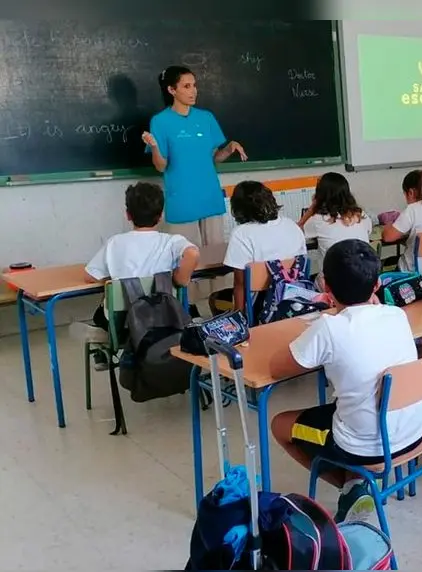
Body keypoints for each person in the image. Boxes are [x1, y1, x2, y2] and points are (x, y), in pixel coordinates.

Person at [270, 239, 422, 523]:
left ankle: (354, 488)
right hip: (416, 430)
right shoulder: (396, 315)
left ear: (326, 288)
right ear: (377, 284)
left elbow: (275, 368)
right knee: (350, 405)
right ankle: (357, 482)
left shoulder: (329, 328)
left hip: (366, 446)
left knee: (279, 424)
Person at [85, 183, 200, 368]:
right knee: (190, 308)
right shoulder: (171, 241)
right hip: (166, 321)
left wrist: (115, 278)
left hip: (124, 324)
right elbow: (193, 253)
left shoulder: (115, 243)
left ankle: (105, 345)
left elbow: (90, 275)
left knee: (102, 310)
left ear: (128, 215)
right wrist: (180, 279)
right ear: (161, 215)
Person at [141, 66, 247, 263]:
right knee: (187, 260)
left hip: (210, 196)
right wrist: (154, 147)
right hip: (182, 200)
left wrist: (229, 148)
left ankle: (217, 295)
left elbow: (215, 157)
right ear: (172, 90)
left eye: (194, 85)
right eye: (186, 86)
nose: (193, 91)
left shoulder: (205, 118)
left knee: (215, 259)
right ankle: (193, 296)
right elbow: (161, 166)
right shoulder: (161, 121)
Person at [218, 181, 307, 313]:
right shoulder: (292, 225)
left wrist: (241, 318)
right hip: (295, 300)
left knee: (217, 298)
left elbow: (240, 284)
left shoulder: (241, 234)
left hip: (261, 307)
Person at [298, 172, 373, 270]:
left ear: (320, 194)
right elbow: (369, 231)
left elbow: (297, 232)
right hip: (365, 275)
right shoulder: (360, 214)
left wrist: (312, 208)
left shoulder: (319, 219)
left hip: (336, 280)